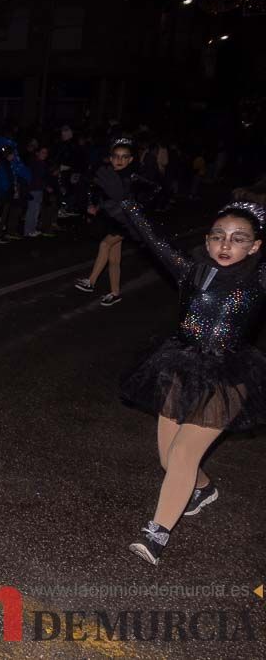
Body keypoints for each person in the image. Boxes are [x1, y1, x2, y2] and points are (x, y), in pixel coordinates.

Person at [103, 199, 266, 566]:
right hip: (180, 364)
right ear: (207, 241)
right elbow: (153, 238)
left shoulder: (259, 278)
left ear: (255, 246)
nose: (226, 245)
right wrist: (127, 203)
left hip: (228, 374)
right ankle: (204, 489)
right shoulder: (191, 271)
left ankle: (156, 534)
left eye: (238, 238)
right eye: (218, 237)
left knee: (182, 454)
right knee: (169, 459)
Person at [75, 139, 154, 307]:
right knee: (114, 259)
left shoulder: (132, 177)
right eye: (116, 156)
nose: (120, 160)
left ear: (131, 159)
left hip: (127, 222)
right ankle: (115, 293)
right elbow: (103, 195)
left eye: (124, 157)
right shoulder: (110, 174)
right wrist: (95, 206)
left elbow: (146, 195)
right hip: (113, 219)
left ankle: (90, 281)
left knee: (104, 245)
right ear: (110, 158)